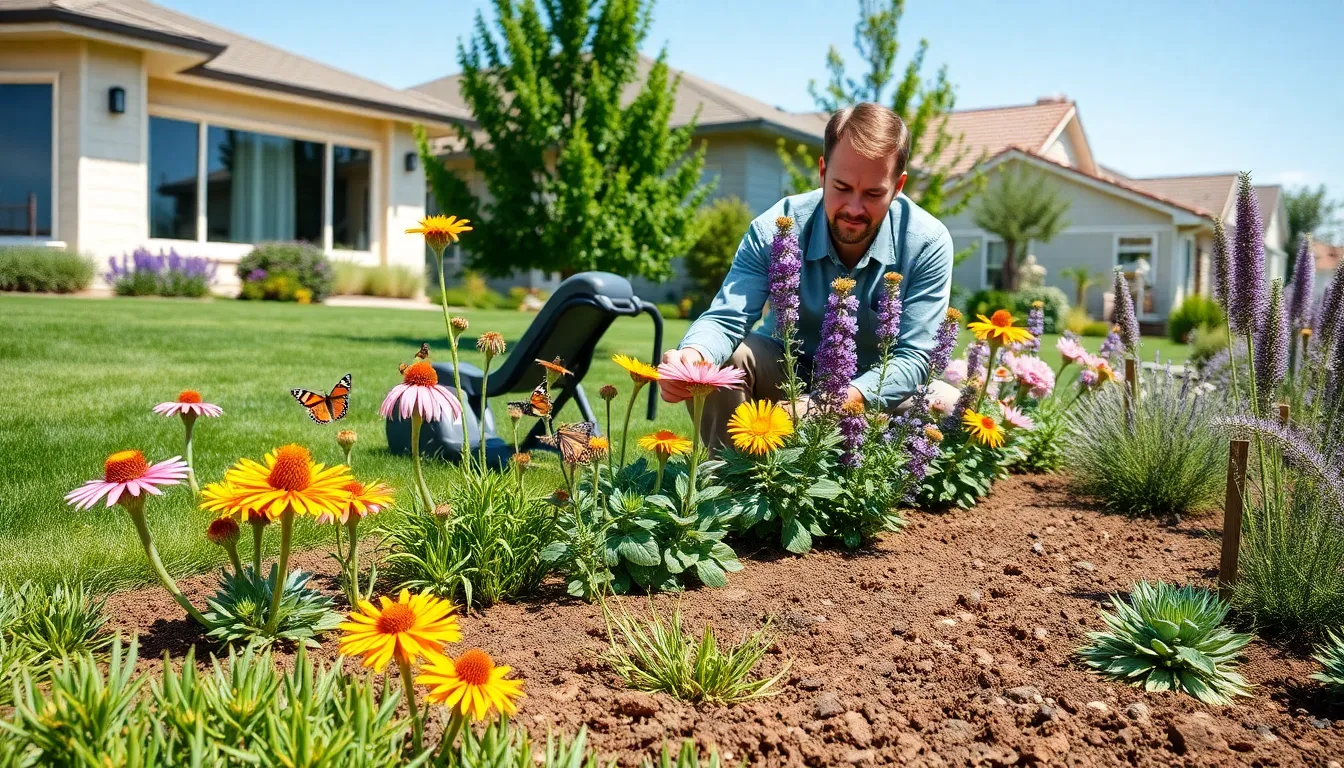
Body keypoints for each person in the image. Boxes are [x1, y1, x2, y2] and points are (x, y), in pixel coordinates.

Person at [664, 102, 959, 450]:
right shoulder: (777, 228)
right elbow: (727, 318)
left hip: (874, 392)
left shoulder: (927, 243)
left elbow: (914, 359)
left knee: (952, 408)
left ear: (898, 186)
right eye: (842, 187)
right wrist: (693, 357)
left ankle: (868, 469)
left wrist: (830, 404)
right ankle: (732, 474)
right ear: (822, 172)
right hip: (786, 376)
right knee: (725, 362)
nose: (854, 208)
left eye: (873, 193)